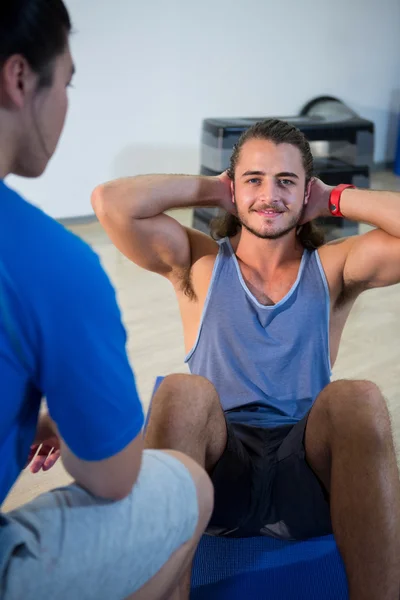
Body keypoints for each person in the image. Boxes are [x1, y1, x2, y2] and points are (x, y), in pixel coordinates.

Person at [93, 118, 400, 600]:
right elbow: (110, 203)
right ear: (233, 189)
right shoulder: (198, 262)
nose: (269, 195)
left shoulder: (335, 268)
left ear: (306, 194)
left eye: (286, 182)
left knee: (360, 398)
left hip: (307, 476)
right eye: (254, 179)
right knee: (181, 390)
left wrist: (336, 197)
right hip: (218, 476)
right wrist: (213, 190)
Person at [0, 2, 214, 599]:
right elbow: (114, 478)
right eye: (66, 83)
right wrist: (216, 187)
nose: (67, 103)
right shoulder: (53, 262)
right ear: (19, 79)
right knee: (188, 486)